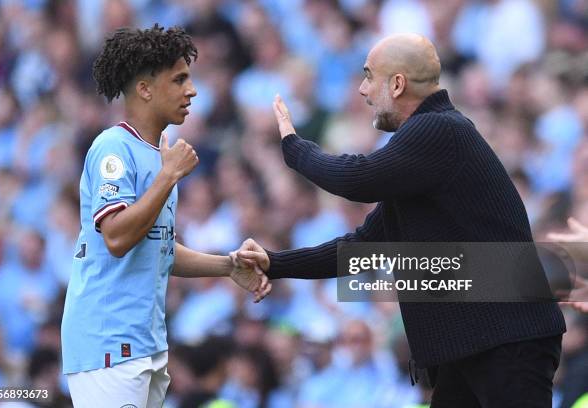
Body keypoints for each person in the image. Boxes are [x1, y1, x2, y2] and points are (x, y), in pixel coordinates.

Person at [237, 34, 566, 407]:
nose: (362, 90)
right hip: (476, 346)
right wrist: (275, 263)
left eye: (368, 76)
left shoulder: (439, 129)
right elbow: (362, 248)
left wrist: (294, 148)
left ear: (397, 84)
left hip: (506, 340)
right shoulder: (421, 156)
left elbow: (357, 179)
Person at [60, 25, 270, 408]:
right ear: (144, 89)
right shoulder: (112, 148)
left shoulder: (157, 153)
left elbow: (158, 248)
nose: (192, 90)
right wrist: (168, 175)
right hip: (109, 342)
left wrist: (227, 266)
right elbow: (118, 238)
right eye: (179, 79)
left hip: (146, 341)